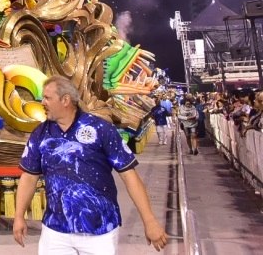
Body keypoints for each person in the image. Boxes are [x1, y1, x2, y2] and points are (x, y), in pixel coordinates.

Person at [13, 76, 167, 253]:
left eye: (47, 97)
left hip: (100, 231)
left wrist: (149, 221)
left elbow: (129, 176)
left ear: (65, 100)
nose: (42, 102)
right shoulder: (40, 133)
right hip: (55, 232)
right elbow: (29, 177)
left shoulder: (102, 129)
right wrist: (19, 217)